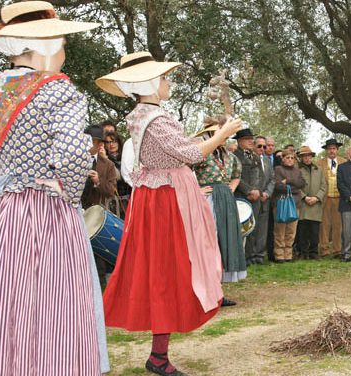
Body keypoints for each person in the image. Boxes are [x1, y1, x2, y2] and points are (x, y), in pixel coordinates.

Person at [97, 51, 242, 375]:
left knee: (162, 274)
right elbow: (190, 154)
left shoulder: (141, 114)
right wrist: (222, 133)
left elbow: (171, 149)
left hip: (155, 197)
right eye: (163, 77)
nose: (167, 82)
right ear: (149, 81)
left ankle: (158, 354)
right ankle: (158, 356)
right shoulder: (155, 117)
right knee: (168, 273)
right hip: (165, 202)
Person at [0, 1, 107, 373]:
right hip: (44, 213)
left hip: (1, 212)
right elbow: (73, 154)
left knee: (6, 303)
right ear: (46, 45)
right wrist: (69, 195)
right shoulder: (56, 89)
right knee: (51, 303)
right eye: (61, 44)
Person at [193, 119, 245, 307]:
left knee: (224, 240)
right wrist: (196, 190)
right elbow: (184, 171)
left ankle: (218, 292)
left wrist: (229, 188)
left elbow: (237, 174)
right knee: (208, 243)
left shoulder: (230, 157)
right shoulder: (202, 152)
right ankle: (206, 291)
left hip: (225, 199)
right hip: (207, 200)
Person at [233, 128, 263, 265]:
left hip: (255, 198)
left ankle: (249, 257)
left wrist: (258, 191)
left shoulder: (256, 157)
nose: (251, 141)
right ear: (239, 141)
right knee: (240, 229)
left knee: (253, 227)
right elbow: (235, 177)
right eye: (247, 139)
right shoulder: (234, 156)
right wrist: (249, 191)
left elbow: (261, 176)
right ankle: (240, 258)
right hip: (241, 197)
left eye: (252, 138)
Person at [272, 150, 305, 262]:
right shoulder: (278, 169)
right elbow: (277, 186)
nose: (290, 160)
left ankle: (288, 254)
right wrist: (292, 186)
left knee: (291, 231)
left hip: (295, 204)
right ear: (283, 158)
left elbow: (302, 184)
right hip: (280, 203)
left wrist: (288, 181)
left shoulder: (298, 170)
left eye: (292, 158)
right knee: (280, 230)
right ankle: (279, 254)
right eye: (287, 157)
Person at [296, 146, 327, 260]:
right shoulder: (297, 169)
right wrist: (305, 197)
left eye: (308, 155)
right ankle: (303, 253)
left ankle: (314, 252)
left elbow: (324, 186)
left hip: (316, 204)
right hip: (303, 204)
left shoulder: (318, 169)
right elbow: (295, 186)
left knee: (314, 231)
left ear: (311, 156)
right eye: (304, 156)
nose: (307, 158)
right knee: (302, 231)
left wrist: (317, 198)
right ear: (301, 157)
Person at [317, 138, 346, 258]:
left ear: (337, 150)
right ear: (326, 150)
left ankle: (337, 250)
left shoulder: (344, 162)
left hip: (339, 198)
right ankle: (324, 249)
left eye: (334, 148)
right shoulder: (319, 163)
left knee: (338, 225)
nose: (332, 151)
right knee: (324, 225)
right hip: (325, 198)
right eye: (329, 149)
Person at [81, 125, 118, 209]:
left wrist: (98, 182)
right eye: (85, 140)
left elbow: (112, 191)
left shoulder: (108, 164)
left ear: (100, 144)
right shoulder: (75, 160)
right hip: (75, 209)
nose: (86, 143)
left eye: (91, 141)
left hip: (97, 213)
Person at [253, 135, 275, 262]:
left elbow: (272, 179)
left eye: (264, 146)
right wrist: (256, 193)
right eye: (259, 146)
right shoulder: (249, 159)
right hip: (253, 198)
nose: (262, 148)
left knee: (263, 229)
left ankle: (260, 255)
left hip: (265, 199)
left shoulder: (267, 161)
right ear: (254, 146)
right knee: (252, 228)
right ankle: (250, 255)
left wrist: (267, 193)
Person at [104, 130, 132, 216]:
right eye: (108, 142)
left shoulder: (127, 156)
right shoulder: (104, 160)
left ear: (118, 142)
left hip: (130, 197)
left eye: (114, 141)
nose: (111, 145)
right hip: (113, 201)